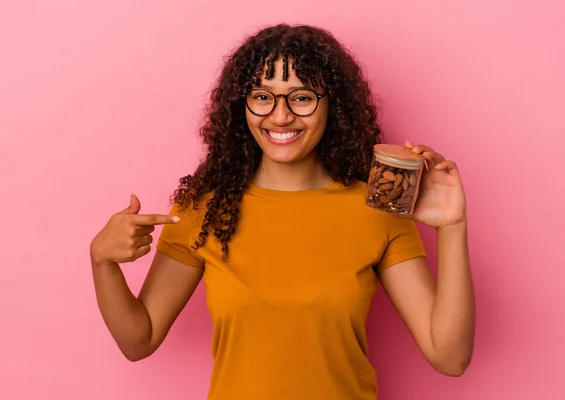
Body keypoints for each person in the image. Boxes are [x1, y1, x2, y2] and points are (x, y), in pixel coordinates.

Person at [90, 23, 475, 400]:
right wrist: (102, 261)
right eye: (262, 96)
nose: (280, 116)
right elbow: (138, 341)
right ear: (242, 104)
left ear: (333, 105)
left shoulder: (377, 210)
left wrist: (452, 227)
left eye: (302, 97)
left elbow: (450, 356)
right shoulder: (203, 211)